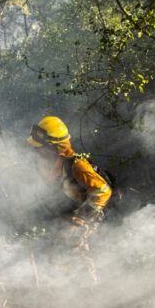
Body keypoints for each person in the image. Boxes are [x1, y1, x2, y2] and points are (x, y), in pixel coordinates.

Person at [27, 116, 112, 283]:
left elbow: (103, 191)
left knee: (74, 246)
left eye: (41, 147)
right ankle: (61, 288)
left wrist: (82, 217)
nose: (37, 151)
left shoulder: (77, 166)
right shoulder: (48, 163)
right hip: (66, 214)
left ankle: (89, 289)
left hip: (85, 213)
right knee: (55, 252)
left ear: (55, 147)